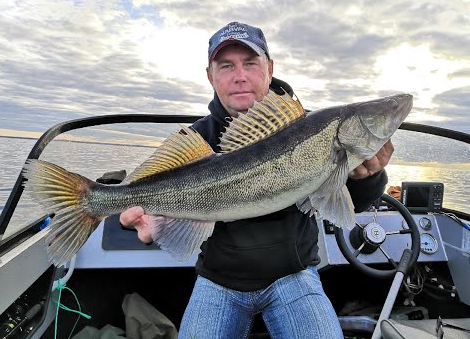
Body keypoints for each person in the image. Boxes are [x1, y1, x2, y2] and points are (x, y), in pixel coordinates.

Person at [120, 22, 393, 338]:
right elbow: (147, 204)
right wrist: (151, 222)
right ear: (211, 75)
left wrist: (368, 177)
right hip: (217, 280)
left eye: (250, 63)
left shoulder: (309, 129)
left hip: (294, 276)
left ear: (269, 68)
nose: (240, 76)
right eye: (226, 66)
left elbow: (350, 204)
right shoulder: (197, 140)